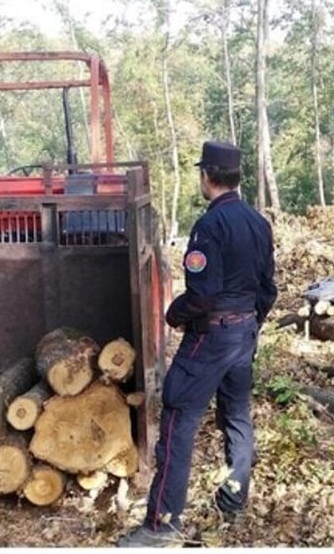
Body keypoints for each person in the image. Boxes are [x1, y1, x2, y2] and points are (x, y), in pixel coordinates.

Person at [118, 141, 277, 548]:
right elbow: (268, 289)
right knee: (238, 417)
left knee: (177, 420)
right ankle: (233, 500)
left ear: (207, 175)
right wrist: (249, 325)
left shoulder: (210, 227)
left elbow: (202, 295)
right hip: (243, 335)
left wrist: (175, 314)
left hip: (211, 337)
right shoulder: (259, 223)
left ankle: (161, 525)